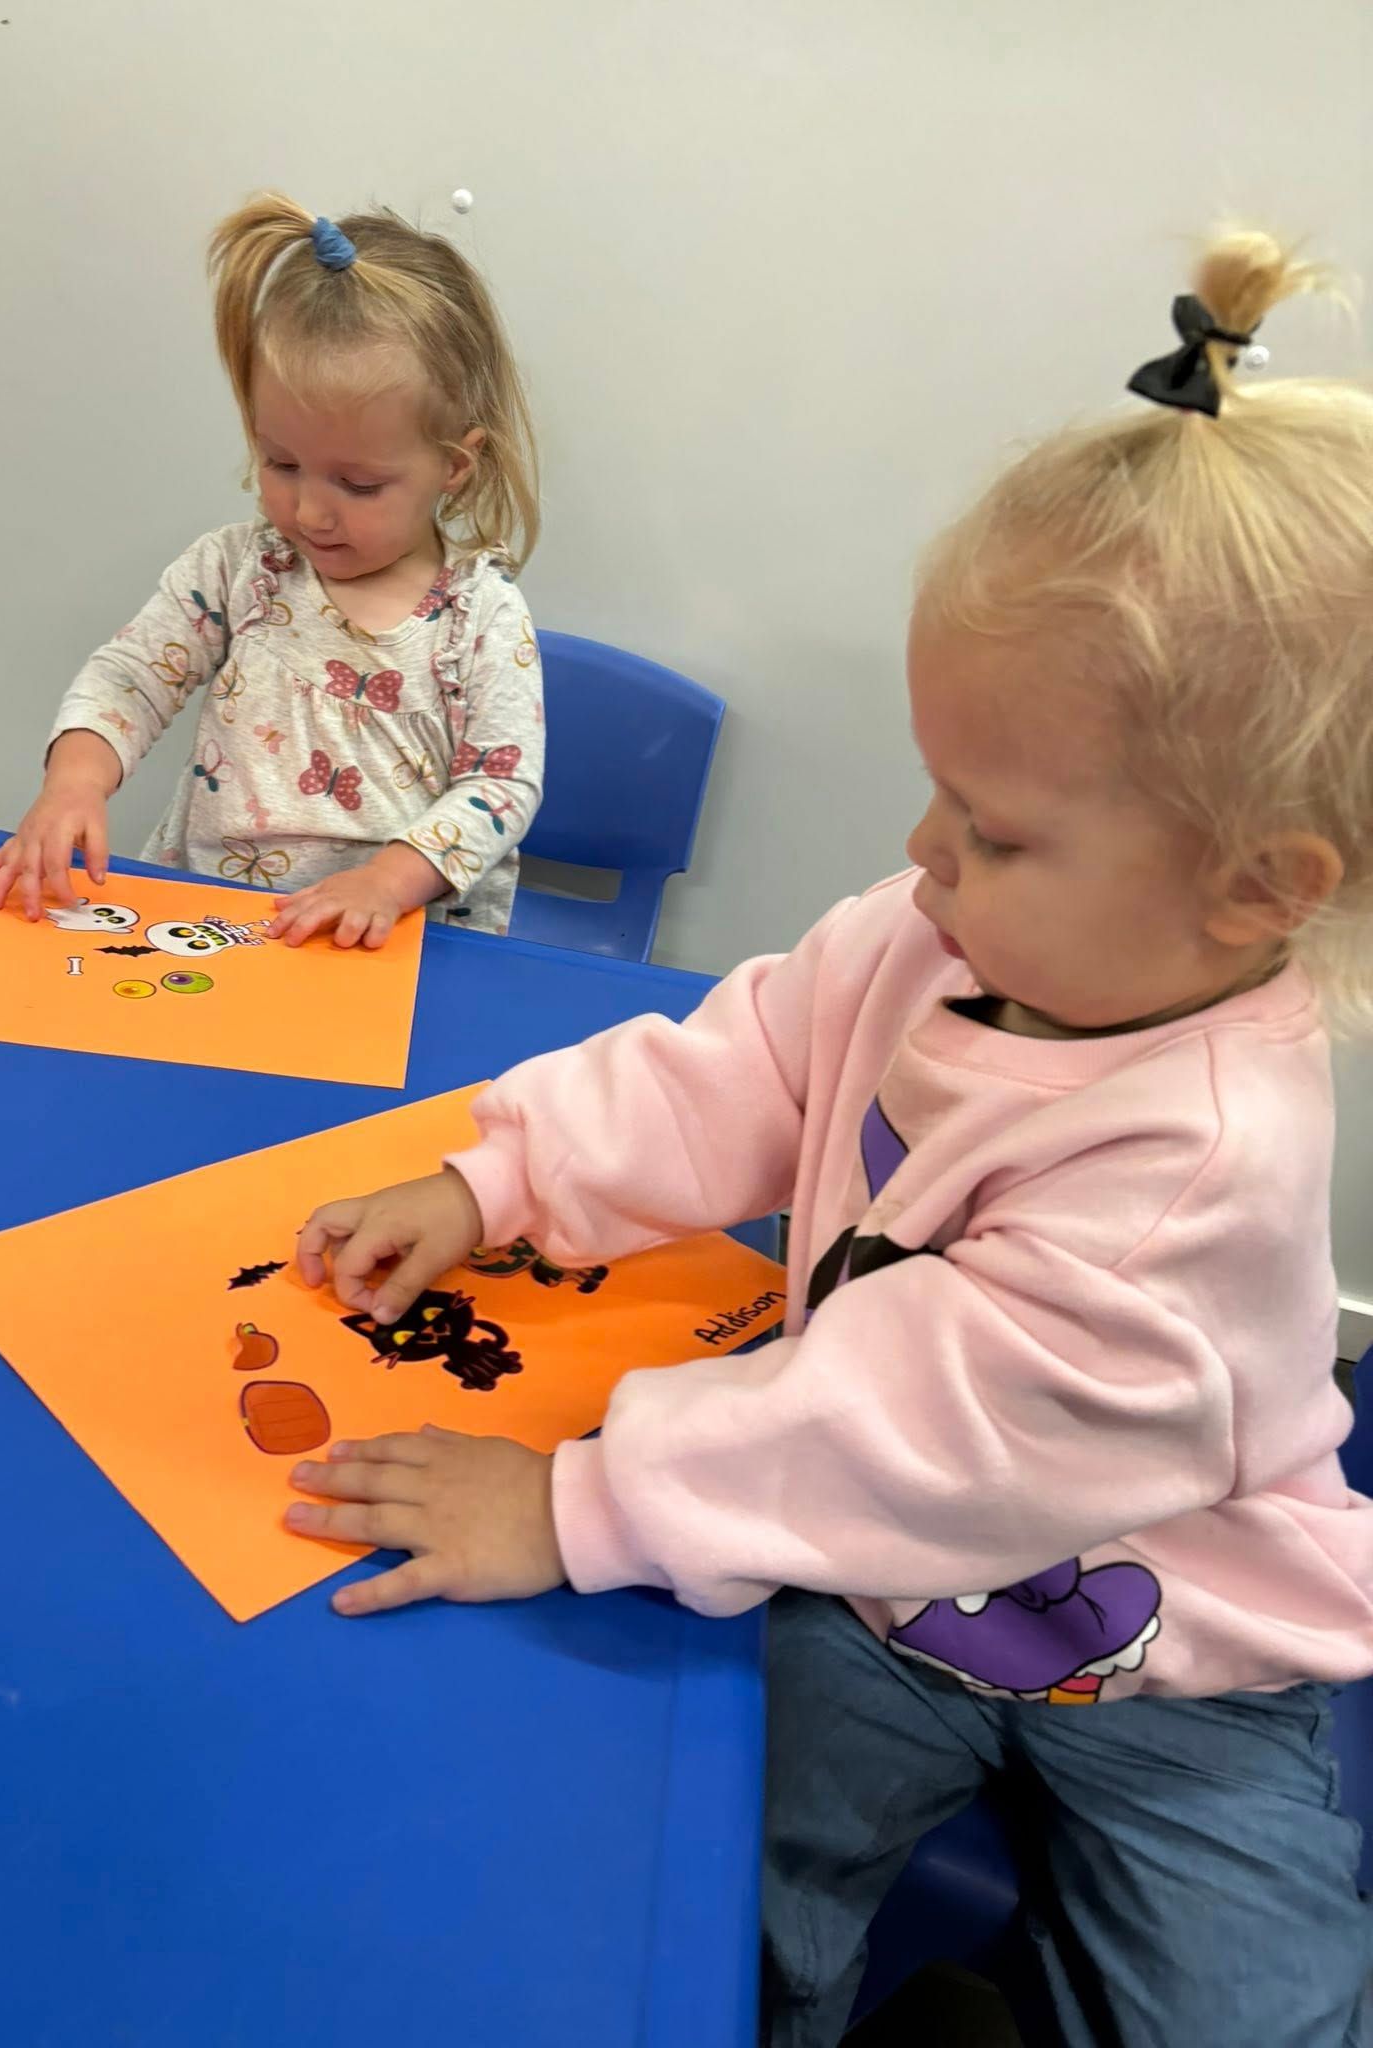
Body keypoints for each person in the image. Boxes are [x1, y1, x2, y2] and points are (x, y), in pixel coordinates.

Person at [288, 229, 1373, 2044]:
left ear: (1255, 889)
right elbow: (752, 1057)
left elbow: (920, 1422)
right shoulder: (933, 927)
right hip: (872, 1589)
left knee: (1254, 2012)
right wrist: (500, 1179)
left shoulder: (1195, 1154)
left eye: (1001, 827)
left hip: (1179, 1646)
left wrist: (579, 1500)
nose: (926, 848)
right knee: (702, 1890)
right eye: (938, 784)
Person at [0, 193, 543, 946]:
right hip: (213, 929)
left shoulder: (481, 615)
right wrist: (74, 783)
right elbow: (132, 675)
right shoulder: (237, 571)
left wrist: (388, 880)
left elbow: (500, 786)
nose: (311, 512)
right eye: (282, 463)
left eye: (358, 484)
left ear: (454, 465)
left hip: (393, 946)